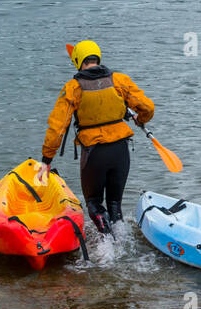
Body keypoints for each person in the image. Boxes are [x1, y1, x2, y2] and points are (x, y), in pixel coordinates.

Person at [38, 41, 155, 234]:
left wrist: (46, 159)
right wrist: (139, 119)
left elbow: (57, 128)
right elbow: (148, 108)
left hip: (94, 154)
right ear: (97, 58)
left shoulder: (73, 88)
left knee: (94, 204)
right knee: (115, 204)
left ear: (78, 61)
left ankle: (106, 247)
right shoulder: (119, 80)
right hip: (120, 151)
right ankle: (121, 242)